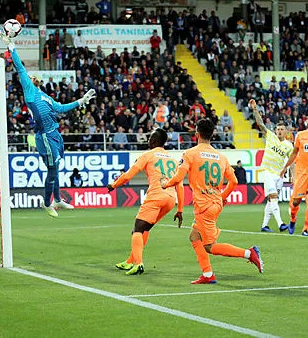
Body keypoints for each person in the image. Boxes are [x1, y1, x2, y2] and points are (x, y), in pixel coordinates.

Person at [0, 29, 96, 217]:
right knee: (52, 169)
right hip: (44, 136)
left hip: (55, 134)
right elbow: (20, 67)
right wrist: (11, 46)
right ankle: (47, 202)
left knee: (57, 167)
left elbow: (60, 108)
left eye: (34, 77)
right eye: (31, 77)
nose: (31, 78)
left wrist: (81, 101)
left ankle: (58, 199)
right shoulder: (30, 91)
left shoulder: (45, 96)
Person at [162, 118, 263, 284]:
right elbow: (235, 182)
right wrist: (222, 198)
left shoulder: (190, 153)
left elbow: (178, 177)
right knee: (194, 236)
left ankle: (249, 253)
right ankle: (208, 274)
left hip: (204, 206)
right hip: (215, 204)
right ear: (211, 135)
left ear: (197, 134)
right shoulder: (221, 157)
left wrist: (165, 183)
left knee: (209, 247)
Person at [107, 129, 184, 276]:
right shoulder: (173, 160)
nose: (148, 141)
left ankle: (138, 263)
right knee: (145, 229)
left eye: (150, 138)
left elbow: (129, 175)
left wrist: (114, 185)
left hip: (156, 195)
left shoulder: (148, 155)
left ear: (154, 140)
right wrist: (180, 209)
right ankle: (130, 261)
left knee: (137, 230)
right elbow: (180, 185)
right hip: (170, 199)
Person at [249, 99, 291, 233]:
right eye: (278, 129)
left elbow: (292, 161)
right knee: (273, 197)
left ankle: (264, 226)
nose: (279, 131)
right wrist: (255, 109)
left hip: (279, 175)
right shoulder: (270, 136)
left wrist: (292, 175)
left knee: (271, 201)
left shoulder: (289, 146)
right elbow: (260, 124)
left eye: (281, 129)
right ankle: (281, 224)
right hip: (267, 172)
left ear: (286, 131)